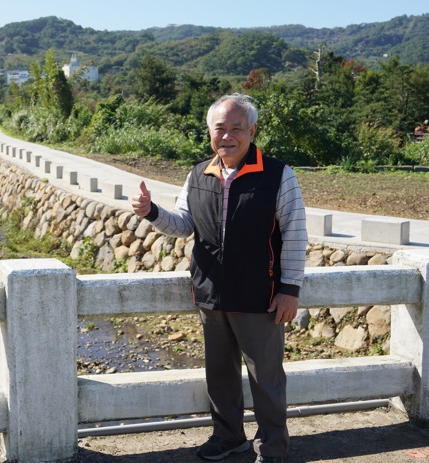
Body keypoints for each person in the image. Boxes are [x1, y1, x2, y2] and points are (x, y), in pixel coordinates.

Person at [132, 93, 308, 463]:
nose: (227, 136)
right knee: (220, 375)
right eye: (220, 128)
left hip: (261, 295)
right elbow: (183, 225)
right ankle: (229, 438)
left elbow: (295, 234)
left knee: (267, 379)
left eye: (236, 128)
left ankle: (273, 449)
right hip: (211, 292)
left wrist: (289, 290)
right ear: (209, 132)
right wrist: (151, 212)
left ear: (252, 130)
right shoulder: (199, 173)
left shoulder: (278, 174)